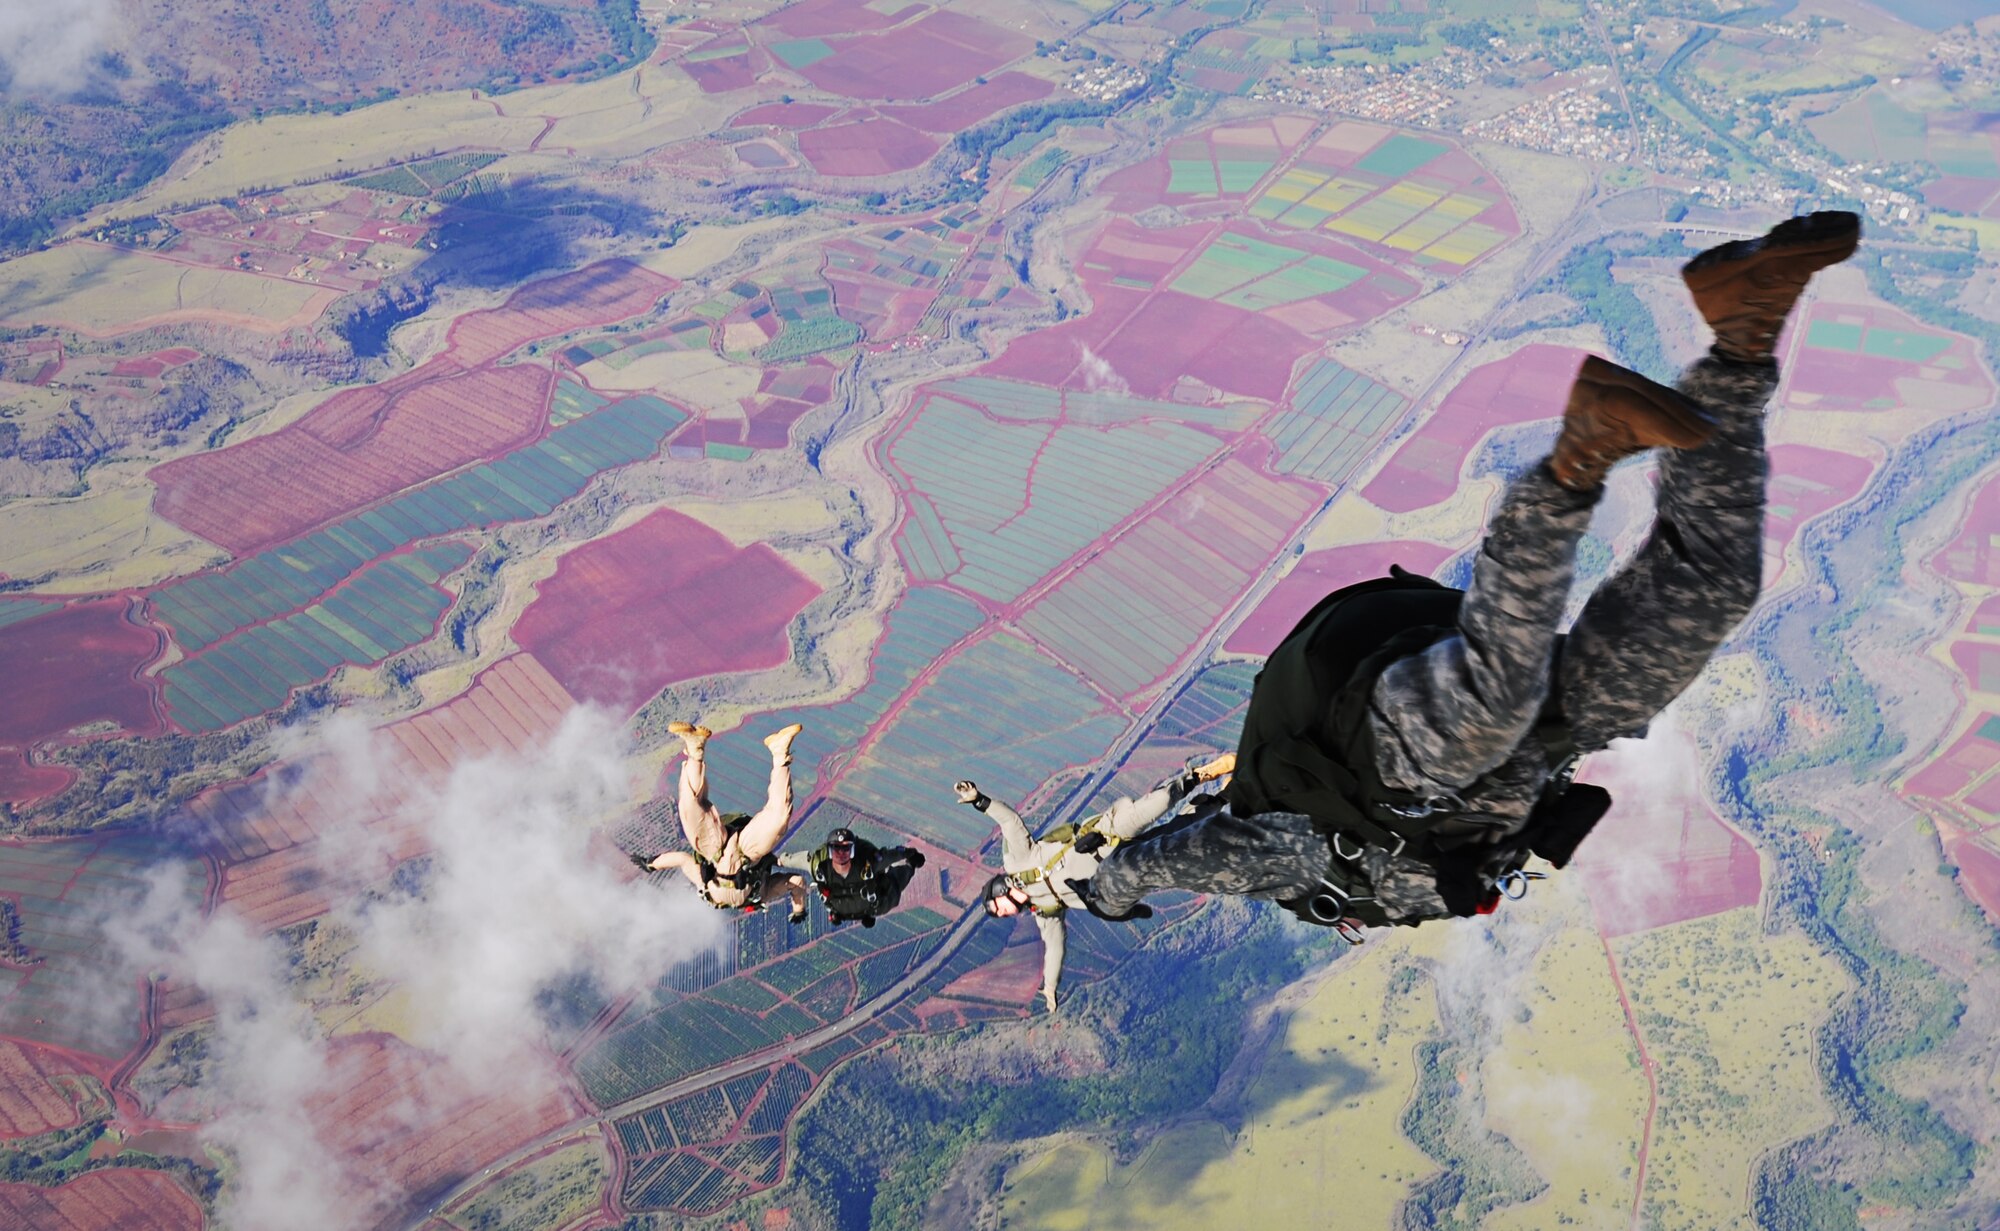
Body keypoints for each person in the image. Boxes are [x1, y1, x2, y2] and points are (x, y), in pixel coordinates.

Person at [1083, 212, 1863, 937]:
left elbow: (1189, 857)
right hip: (1519, 746)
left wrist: (1106, 888)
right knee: (1702, 600)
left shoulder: (1310, 864)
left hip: (1375, 733)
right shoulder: (1446, 858)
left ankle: (1579, 457)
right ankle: (1743, 330)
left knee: (1491, 703)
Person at [965, 752, 1236, 1011]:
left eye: (997, 907)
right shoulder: (1044, 911)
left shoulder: (1018, 862)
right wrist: (1050, 986)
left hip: (1107, 834)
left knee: (1159, 802)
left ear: (998, 890)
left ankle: (1202, 774)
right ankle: (1224, 795)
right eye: (999, 914)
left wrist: (980, 801)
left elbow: (1010, 822)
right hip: (1122, 865)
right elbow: (1055, 946)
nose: (1002, 913)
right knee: (1178, 835)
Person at [634, 720, 810, 920]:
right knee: (779, 816)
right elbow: (797, 882)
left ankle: (695, 750)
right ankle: (780, 754)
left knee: (689, 807)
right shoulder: (761, 893)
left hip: (716, 850)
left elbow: (683, 860)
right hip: (748, 852)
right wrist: (799, 909)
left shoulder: (706, 885)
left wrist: (652, 864)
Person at [777, 827, 927, 927]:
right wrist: (777, 860)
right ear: (829, 850)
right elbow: (792, 860)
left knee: (895, 882)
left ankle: (910, 867)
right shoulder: (819, 866)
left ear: (853, 850)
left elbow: (890, 855)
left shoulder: (868, 863)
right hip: (847, 909)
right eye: (836, 848)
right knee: (894, 884)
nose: (841, 853)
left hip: (874, 906)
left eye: (846, 848)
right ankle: (910, 867)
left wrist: (910, 855)